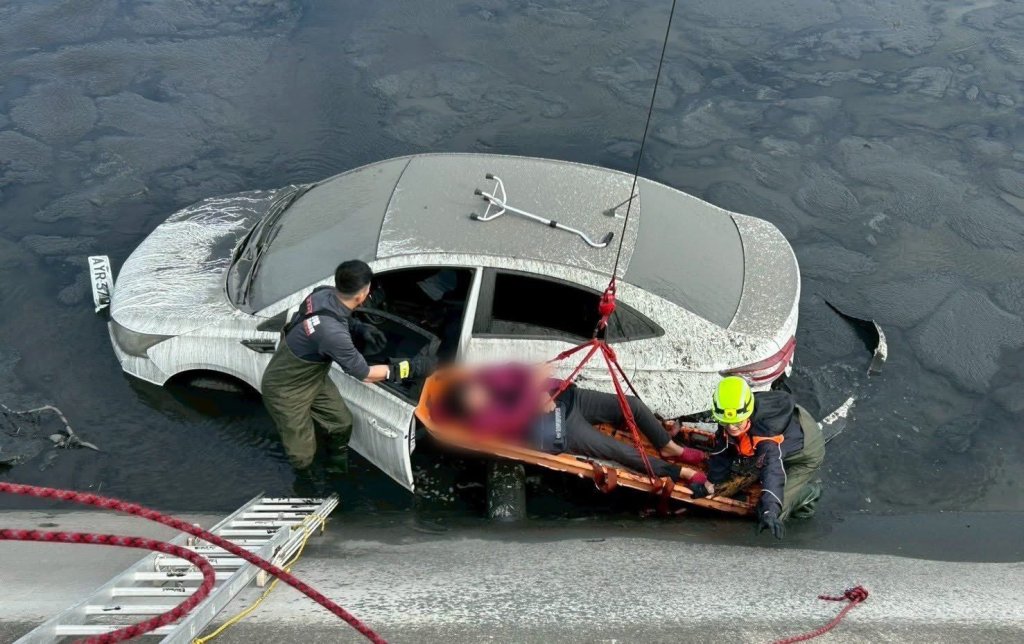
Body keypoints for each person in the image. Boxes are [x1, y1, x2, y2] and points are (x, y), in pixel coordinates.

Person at [261, 260, 435, 477]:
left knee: (341, 422)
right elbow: (366, 374)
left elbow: (329, 317)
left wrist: (359, 327)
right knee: (302, 453)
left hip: (312, 378)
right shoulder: (333, 335)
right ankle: (305, 479)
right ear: (362, 295)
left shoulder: (322, 293)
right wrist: (412, 368)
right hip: (286, 391)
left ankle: (335, 463)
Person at [436, 362, 712, 493]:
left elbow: (522, 372)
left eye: (476, 391)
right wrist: (535, 394)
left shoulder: (487, 375)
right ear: (470, 409)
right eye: (474, 400)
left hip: (571, 397)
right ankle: (681, 471)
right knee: (617, 451)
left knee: (630, 404)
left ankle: (670, 446)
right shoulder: (483, 421)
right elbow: (515, 417)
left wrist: (536, 386)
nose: (479, 396)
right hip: (561, 426)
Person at [705, 376, 825, 540]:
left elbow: (772, 469)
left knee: (770, 511)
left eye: (737, 423)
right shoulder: (729, 412)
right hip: (788, 434)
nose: (731, 427)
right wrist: (713, 481)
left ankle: (807, 493)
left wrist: (771, 510)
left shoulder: (766, 434)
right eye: (726, 422)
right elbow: (723, 446)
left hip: (805, 455)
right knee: (740, 468)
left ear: (746, 414)